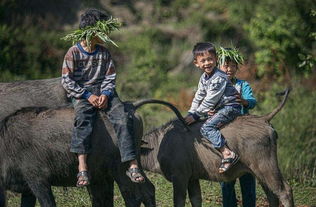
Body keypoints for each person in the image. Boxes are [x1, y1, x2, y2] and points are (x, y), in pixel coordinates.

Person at [61, 8, 144, 187]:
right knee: (83, 120)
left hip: (104, 91)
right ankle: (82, 167)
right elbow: (67, 80)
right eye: (104, 30)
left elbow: (110, 76)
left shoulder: (104, 53)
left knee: (122, 117)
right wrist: (87, 95)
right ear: (92, 32)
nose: (107, 34)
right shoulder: (73, 53)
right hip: (83, 93)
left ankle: (132, 163)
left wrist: (106, 94)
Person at [184, 42, 241, 173]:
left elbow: (210, 100)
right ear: (196, 63)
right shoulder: (204, 78)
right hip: (220, 108)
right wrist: (191, 112)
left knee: (207, 127)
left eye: (210, 59)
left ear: (216, 59)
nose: (207, 63)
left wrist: (196, 115)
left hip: (230, 106)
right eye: (203, 60)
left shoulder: (219, 77)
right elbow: (199, 96)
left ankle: (227, 153)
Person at [218, 47, 257, 207]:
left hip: (243, 134)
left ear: (236, 68)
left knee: (248, 173)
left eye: (232, 65)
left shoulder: (242, 85)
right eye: (225, 65)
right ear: (218, 67)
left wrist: (244, 101)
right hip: (226, 136)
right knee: (227, 179)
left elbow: (252, 101)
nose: (229, 68)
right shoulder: (216, 85)